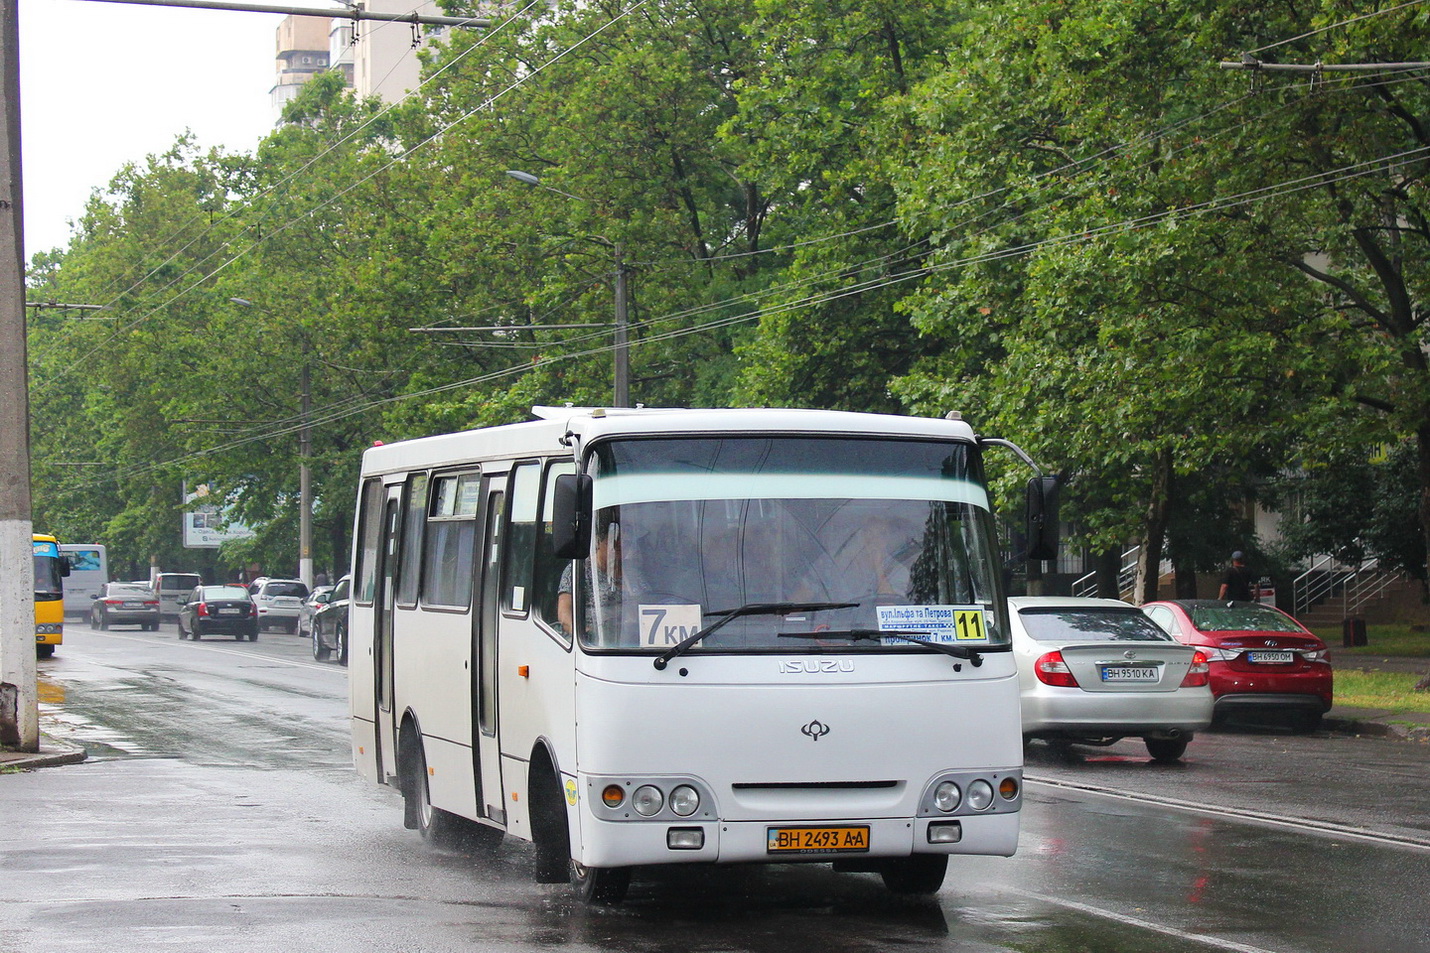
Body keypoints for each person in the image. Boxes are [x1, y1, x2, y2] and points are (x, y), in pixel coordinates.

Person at [557, 520, 624, 639]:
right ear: (598, 542)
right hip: (594, 641)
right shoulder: (578, 570)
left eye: (621, 546)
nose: (618, 550)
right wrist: (587, 634)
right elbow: (564, 613)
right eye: (613, 545)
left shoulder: (630, 571)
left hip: (628, 636)